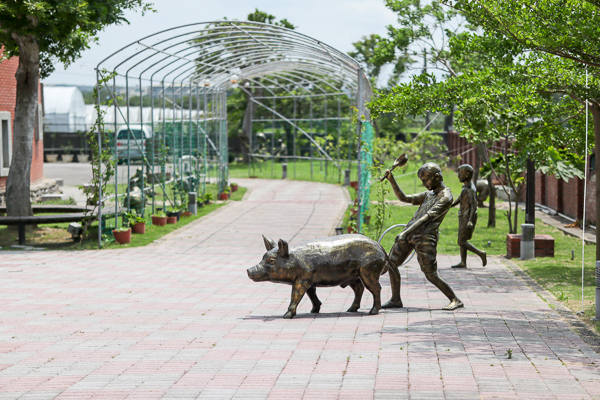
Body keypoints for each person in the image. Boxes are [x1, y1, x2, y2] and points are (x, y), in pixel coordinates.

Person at [382, 162, 463, 311]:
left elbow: (427, 217)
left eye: (426, 180)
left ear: (437, 177)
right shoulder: (429, 194)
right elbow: (405, 198)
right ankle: (395, 299)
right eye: (422, 181)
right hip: (410, 234)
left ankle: (455, 299)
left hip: (425, 238)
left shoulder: (446, 197)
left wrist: (405, 232)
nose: (424, 184)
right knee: (391, 264)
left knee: (430, 274)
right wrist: (392, 180)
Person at [451, 164, 487, 268]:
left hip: (467, 217)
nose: (458, 176)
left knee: (461, 241)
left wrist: (470, 220)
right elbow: (460, 198)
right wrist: (450, 204)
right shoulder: (466, 187)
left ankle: (481, 253)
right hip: (463, 215)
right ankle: (463, 262)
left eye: (460, 173)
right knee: (462, 239)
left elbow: (474, 206)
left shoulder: (471, 189)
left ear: (467, 175)